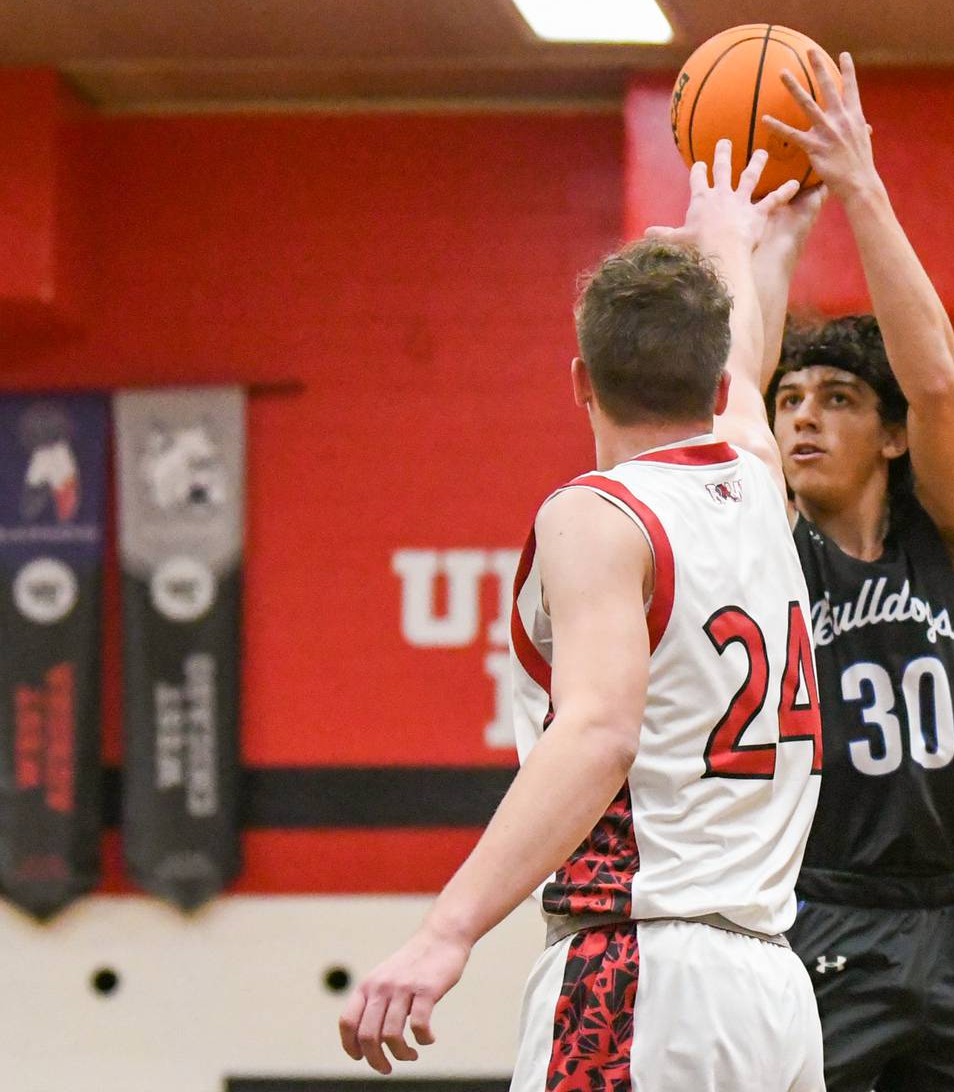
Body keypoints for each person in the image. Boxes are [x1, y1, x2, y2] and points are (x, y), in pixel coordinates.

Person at [339, 145, 826, 1091]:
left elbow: (600, 729)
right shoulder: (757, 476)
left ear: (579, 380)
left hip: (639, 974)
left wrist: (447, 931)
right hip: (772, 995)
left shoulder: (598, 513)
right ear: (715, 381)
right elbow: (745, 370)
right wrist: (732, 237)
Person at [730, 49, 954, 1091]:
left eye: (838, 399)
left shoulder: (953, 545)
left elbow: (940, 387)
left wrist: (861, 186)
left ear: (891, 437)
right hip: (821, 911)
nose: (805, 415)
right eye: (794, 400)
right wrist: (772, 251)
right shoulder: (772, 551)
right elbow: (732, 402)